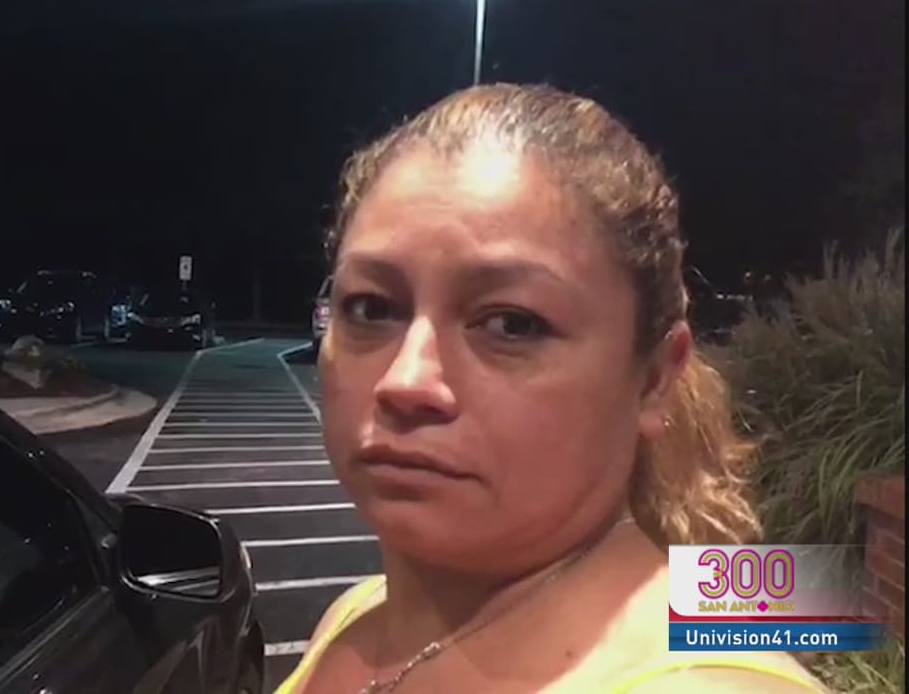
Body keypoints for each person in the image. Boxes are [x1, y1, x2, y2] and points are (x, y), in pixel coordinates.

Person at [277, 84, 827, 693]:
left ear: (653, 379)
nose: (406, 381)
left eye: (513, 324)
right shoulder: (355, 617)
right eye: (372, 308)